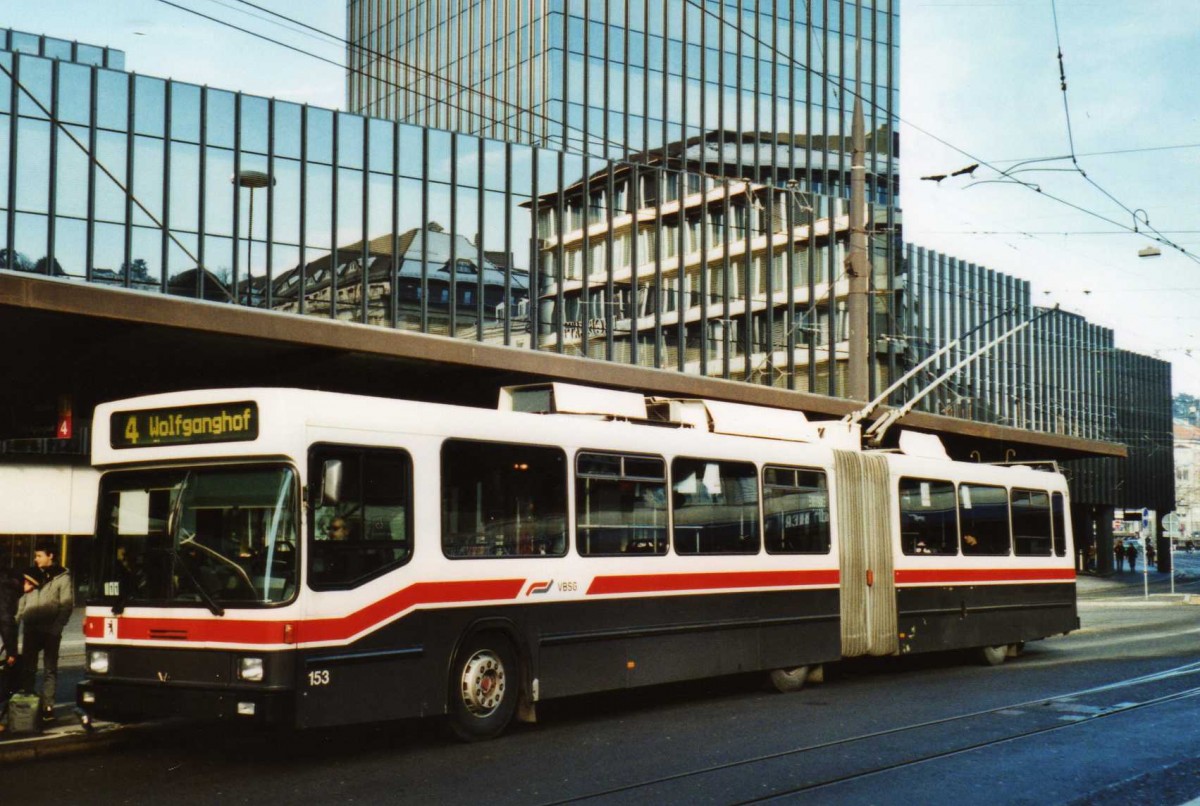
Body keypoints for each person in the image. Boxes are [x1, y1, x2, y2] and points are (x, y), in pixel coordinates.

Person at [17, 541, 73, 723]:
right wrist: (17, 619)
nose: (36, 559)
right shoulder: (32, 574)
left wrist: (57, 628)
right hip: (31, 629)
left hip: (50, 631)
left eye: (39, 555)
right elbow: (23, 599)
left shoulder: (63, 577)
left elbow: (66, 605)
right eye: (35, 556)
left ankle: (48, 706)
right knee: (28, 668)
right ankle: (28, 703)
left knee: (50, 669)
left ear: (51, 556)